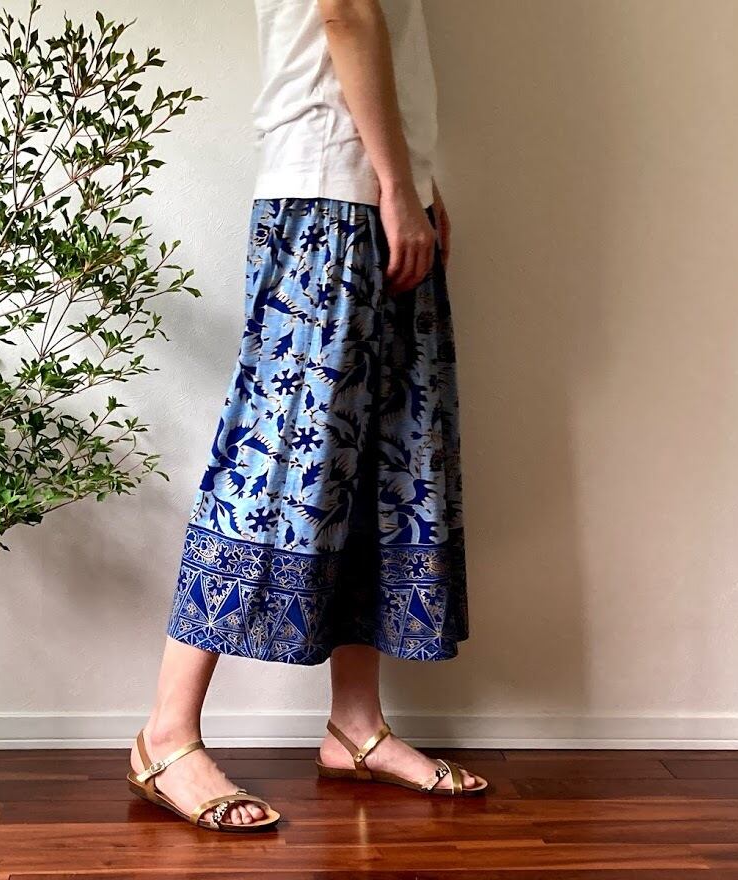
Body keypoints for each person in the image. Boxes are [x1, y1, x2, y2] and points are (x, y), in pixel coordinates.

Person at [126, 0, 488, 832]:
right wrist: (400, 186)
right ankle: (165, 737)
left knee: (378, 471)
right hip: (330, 203)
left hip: (371, 197)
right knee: (272, 472)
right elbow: (343, 13)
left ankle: (355, 727)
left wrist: (416, 183)